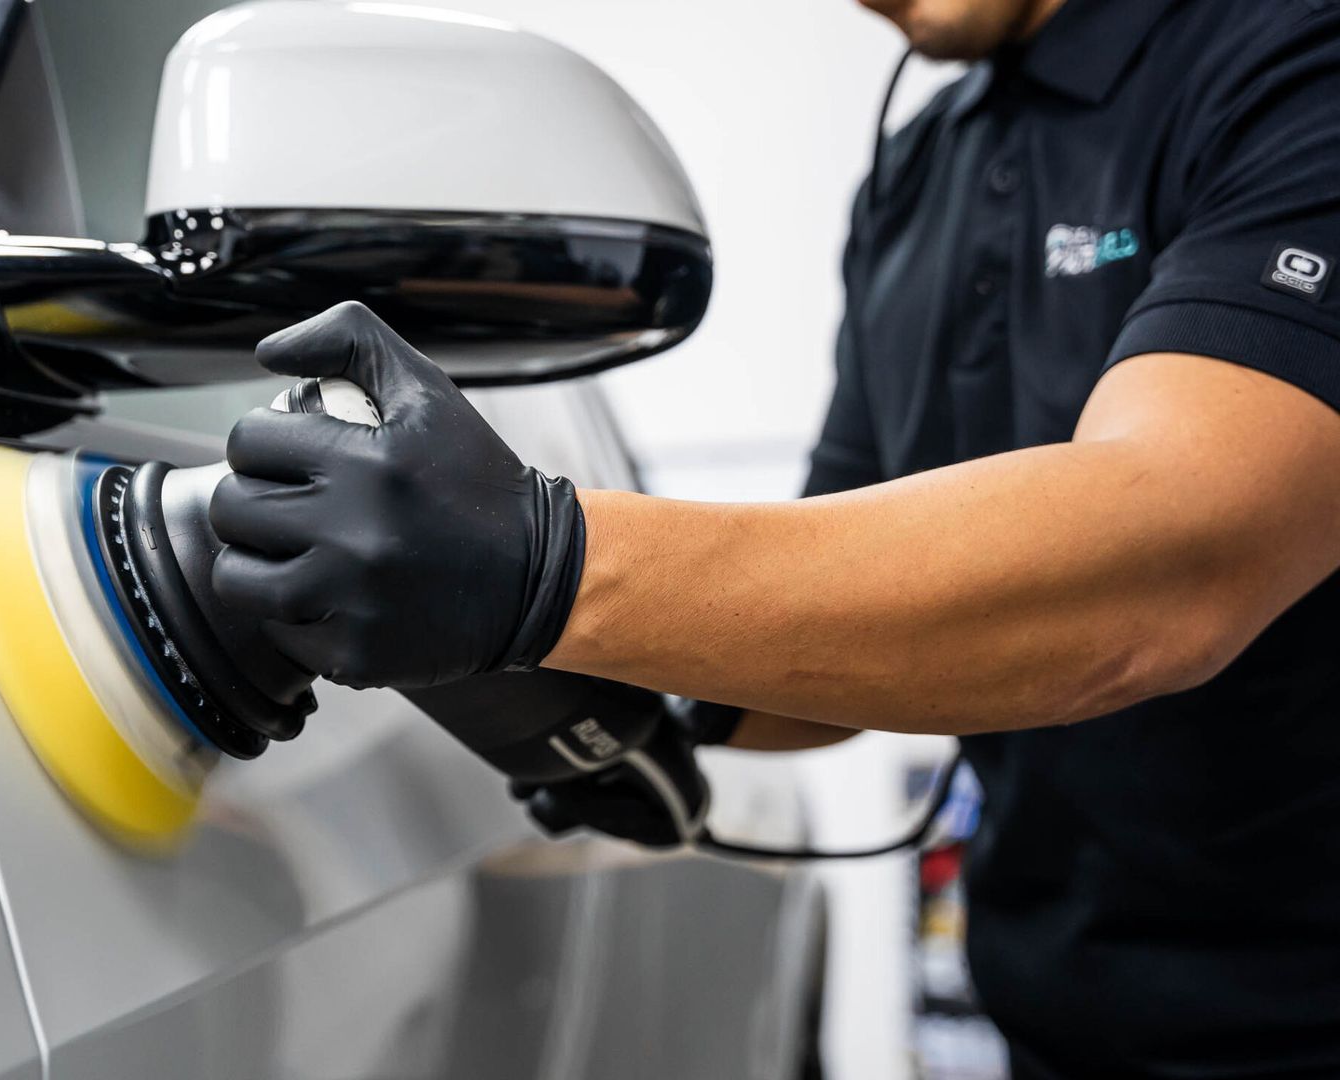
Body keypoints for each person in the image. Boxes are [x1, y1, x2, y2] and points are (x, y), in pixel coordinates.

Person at [205, 0, 1340, 1076]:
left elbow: (1170, 566)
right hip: (1062, 1021)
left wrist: (552, 567)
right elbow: (827, 648)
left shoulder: (1291, 64)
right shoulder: (916, 172)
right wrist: (620, 705)